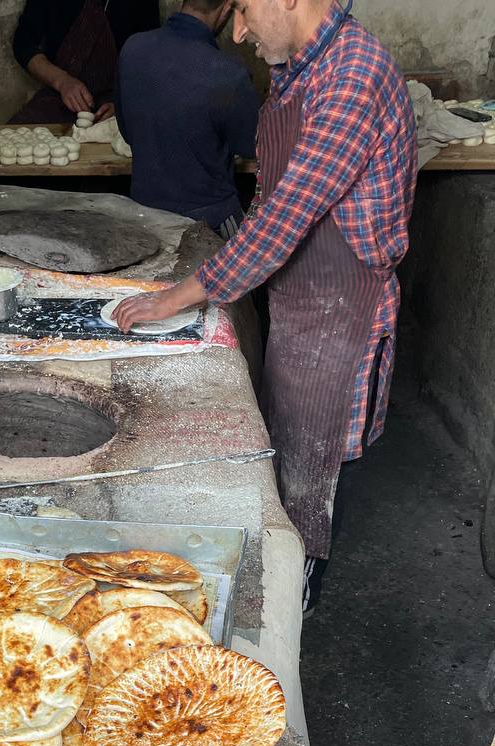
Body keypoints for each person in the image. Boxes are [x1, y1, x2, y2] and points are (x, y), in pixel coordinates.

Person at [114, 0, 418, 612]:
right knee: (283, 445)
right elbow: (270, 194)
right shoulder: (298, 69)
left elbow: (287, 214)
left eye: (246, 10)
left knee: (316, 468)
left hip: (343, 309)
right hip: (300, 296)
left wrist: (182, 294)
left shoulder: (352, 75)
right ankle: (283, 578)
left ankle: (292, 608)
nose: (240, 31)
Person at [115, 0, 260, 236]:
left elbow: (127, 131)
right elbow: (251, 146)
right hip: (208, 224)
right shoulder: (228, 72)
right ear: (226, 9)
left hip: (143, 219)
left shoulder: (132, 49)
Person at [11, 0, 159, 125]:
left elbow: (149, 56)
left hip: (118, 97)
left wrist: (122, 103)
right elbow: (24, 44)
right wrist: (62, 81)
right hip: (59, 94)